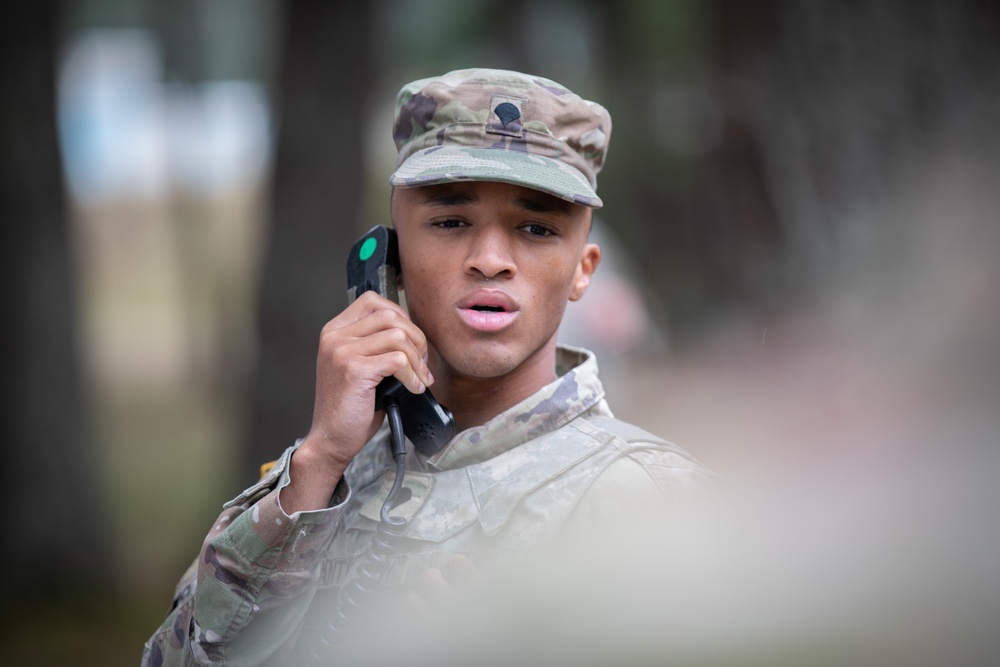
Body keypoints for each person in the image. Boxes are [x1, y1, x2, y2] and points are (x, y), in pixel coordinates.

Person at [142, 68, 709, 667]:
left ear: (583, 270)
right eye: (450, 222)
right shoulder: (320, 481)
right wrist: (319, 461)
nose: (491, 260)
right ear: (391, 259)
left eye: (536, 228)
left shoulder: (650, 499)